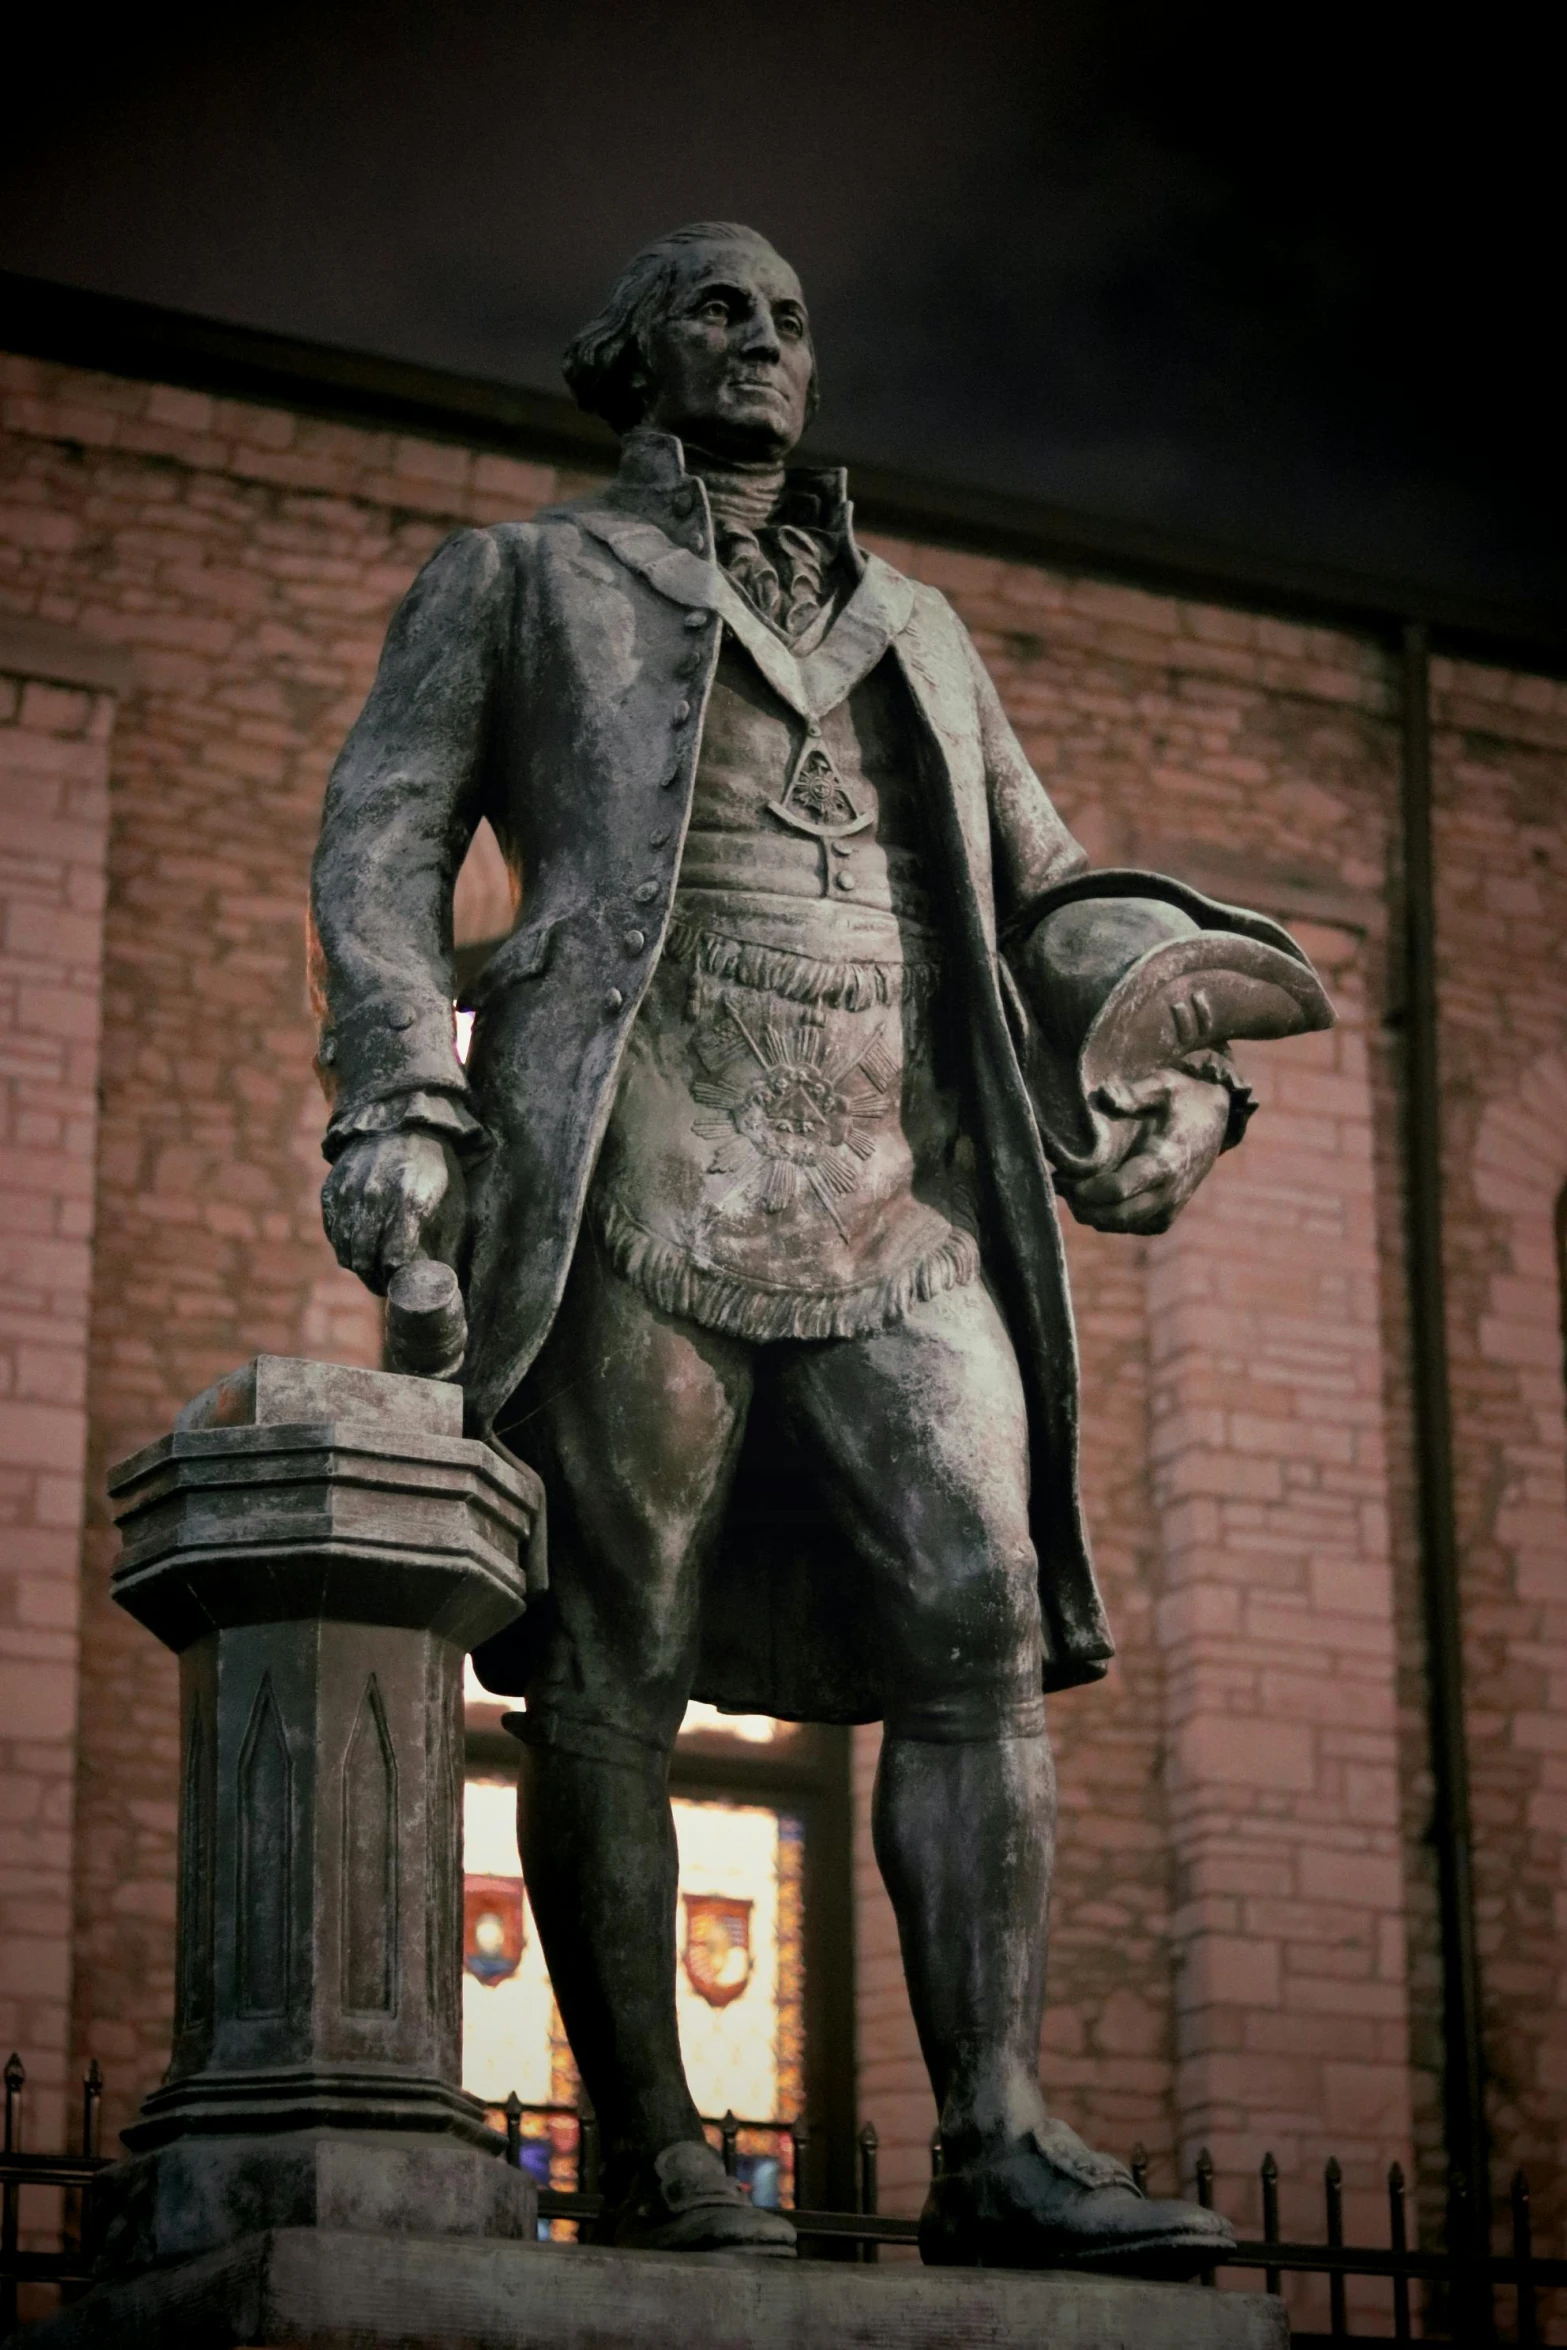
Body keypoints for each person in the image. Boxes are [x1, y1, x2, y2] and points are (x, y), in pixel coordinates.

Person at [310, 222, 1326, 2269]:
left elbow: (1044, 892)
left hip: (903, 1183)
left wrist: (1185, 1074)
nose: (767, 343)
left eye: (793, 319)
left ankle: (996, 2129)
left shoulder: (927, 627)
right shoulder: (520, 582)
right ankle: (664, 2145)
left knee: (981, 1614)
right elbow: (383, 839)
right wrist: (405, 1094)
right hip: (637, 1164)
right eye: (720, 308)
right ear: (629, 353)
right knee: (621, 1659)